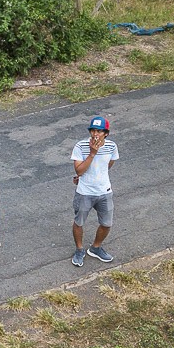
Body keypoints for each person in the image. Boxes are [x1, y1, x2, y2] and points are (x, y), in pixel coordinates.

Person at [71, 114, 119, 267]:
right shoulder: (80, 146)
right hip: (84, 192)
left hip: (105, 191)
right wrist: (92, 154)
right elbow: (79, 171)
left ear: (106, 133)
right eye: (93, 130)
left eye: (99, 131)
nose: (95, 134)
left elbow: (108, 165)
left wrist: (97, 176)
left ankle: (95, 248)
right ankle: (79, 250)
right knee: (79, 222)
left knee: (106, 224)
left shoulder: (112, 146)